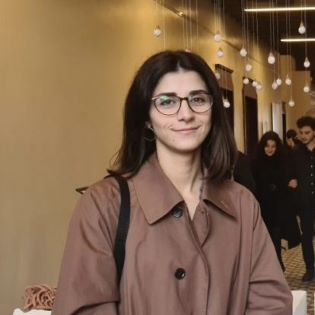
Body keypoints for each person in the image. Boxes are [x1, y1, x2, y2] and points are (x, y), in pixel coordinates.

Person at [52, 50, 292, 314]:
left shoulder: (242, 204)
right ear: (146, 117)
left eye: (197, 99)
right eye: (166, 102)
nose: (185, 114)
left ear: (212, 111)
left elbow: (269, 304)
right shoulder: (103, 205)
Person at [252, 131, 300, 272]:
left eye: (273, 146)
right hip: (263, 205)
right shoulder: (255, 162)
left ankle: (277, 264)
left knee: (276, 235)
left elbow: (288, 179)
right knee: (265, 238)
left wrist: (291, 182)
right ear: (263, 146)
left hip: (278, 205)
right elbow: (254, 184)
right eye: (267, 146)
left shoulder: (283, 160)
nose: (270, 149)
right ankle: (272, 266)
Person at [289, 116, 315, 281]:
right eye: (301, 132)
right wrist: (291, 180)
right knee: (306, 236)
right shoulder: (295, 153)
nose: (304, 135)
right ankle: (310, 269)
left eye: (307, 132)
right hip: (305, 202)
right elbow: (288, 172)